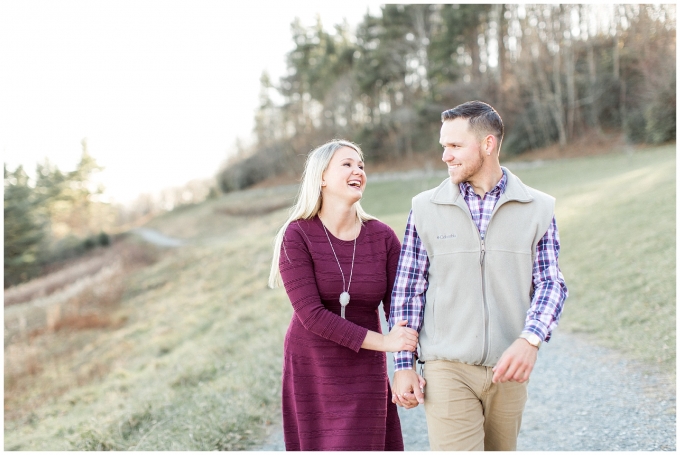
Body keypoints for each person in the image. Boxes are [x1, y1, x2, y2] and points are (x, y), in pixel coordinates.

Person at [388, 101, 568, 451]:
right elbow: (408, 290)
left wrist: (530, 339)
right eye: (444, 146)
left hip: (509, 370)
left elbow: (551, 283)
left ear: (487, 144)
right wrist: (403, 364)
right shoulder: (425, 208)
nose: (445, 156)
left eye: (455, 146)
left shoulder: (538, 208)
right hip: (447, 367)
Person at [268, 139, 425, 451]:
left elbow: (401, 307)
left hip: (365, 367)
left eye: (361, 166)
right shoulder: (296, 235)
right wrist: (385, 343)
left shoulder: (381, 237)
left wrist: (405, 366)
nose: (358, 171)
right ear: (322, 177)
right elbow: (311, 315)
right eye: (347, 164)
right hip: (313, 366)